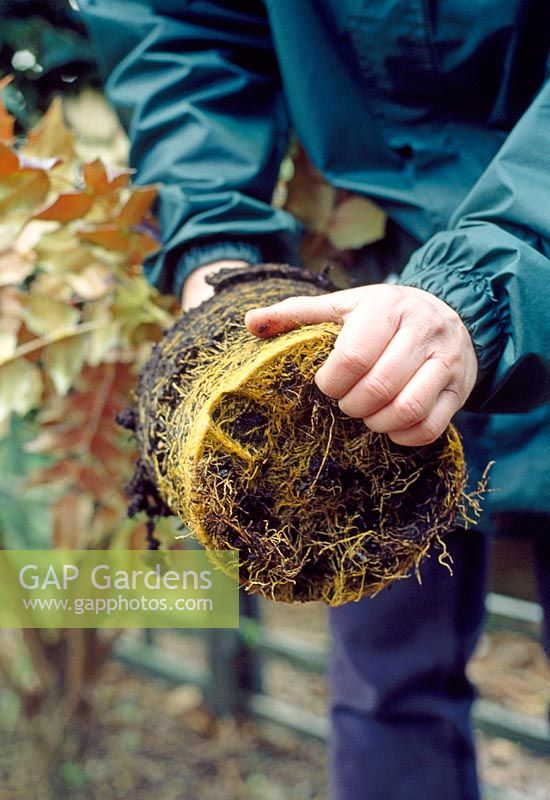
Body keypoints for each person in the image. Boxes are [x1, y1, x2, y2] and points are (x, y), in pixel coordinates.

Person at [79, 2, 550, 798]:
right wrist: (218, 249)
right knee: (383, 692)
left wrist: (478, 290)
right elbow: (184, 28)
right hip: (361, 319)